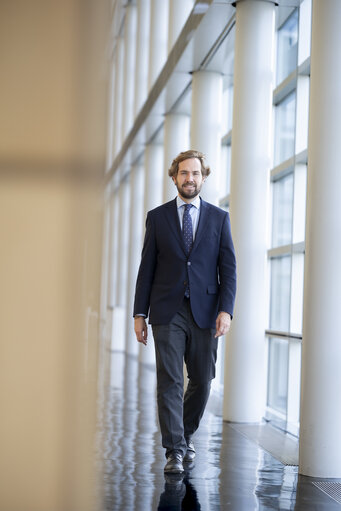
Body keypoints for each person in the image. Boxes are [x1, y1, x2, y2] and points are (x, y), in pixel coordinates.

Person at [133, 149, 236, 474]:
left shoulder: (219, 218)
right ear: (174, 177)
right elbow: (146, 268)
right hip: (167, 311)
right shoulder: (158, 217)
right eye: (183, 173)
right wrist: (139, 313)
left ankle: (184, 435)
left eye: (195, 173)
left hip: (206, 311)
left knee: (203, 380)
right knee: (170, 380)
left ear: (203, 177)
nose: (189, 179)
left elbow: (228, 269)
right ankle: (174, 451)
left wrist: (226, 311)